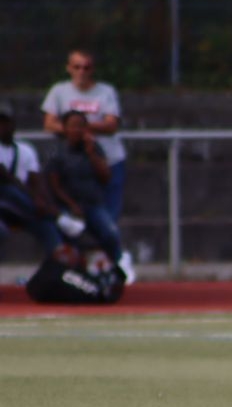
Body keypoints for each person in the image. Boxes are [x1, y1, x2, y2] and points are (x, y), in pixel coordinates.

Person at [43, 110, 134, 283]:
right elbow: (54, 185)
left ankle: (119, 268)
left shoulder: (94, 149)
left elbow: (105, 177)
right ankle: (65, 276)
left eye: (81, 126)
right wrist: (71, 205)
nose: (77, 130)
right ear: (65, 128)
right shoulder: (57, 152)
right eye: (73, 126)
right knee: (69, 235)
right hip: (67, 206)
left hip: (92, 204)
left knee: (110, 233)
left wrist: (91, 153)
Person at [41, 49, 127, 221]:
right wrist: (77, 130)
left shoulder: (105, 91)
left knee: (110, 216)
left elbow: (111, 124)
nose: (82, 71)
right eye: (77, 67)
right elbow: (49, 124)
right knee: (77, 217)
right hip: (75, 165)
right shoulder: (59, 91)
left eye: (86, 68)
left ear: (92, 69)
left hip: (109, 160)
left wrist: (79, 128)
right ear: (69, 68)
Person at [0, 100, 62, 256]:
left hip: (20, 207)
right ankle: (54, 215)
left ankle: (59, 261)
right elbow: (6, 178)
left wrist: (41, 199)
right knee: (10, 190)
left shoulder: (25, 149)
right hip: (8, 201)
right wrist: (35, 200)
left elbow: (36, 181)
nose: (2, 127)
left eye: (5, 122)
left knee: (45, 225)